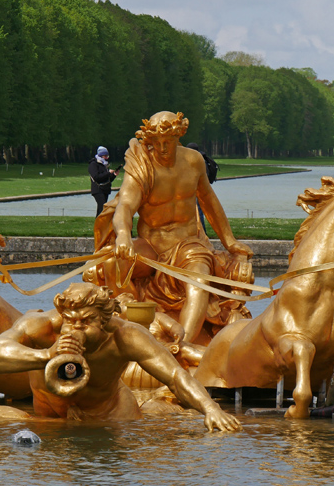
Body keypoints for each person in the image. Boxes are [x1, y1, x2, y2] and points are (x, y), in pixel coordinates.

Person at [0, 282, 240, 432]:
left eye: (87, 321)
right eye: (71, 321)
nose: (76, 328)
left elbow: (175, 375)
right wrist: (46, 355)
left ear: (104, 320)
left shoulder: (125, 336)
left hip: (111, 419)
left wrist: (211, 409)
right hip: (50, 419)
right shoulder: (42, 327)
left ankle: (163, 409)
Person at [90, 111, 253, 343]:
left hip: (188, 245)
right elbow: (125, 206)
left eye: (168, 142)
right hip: (151, 246)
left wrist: (230, 241)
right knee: (111, 263)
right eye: (156, 143)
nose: (163, 148)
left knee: (198, 280)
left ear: (179, 137)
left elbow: (209, 201)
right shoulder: (142, 167)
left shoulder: (194, 161)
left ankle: (181, 345)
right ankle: (130, 328)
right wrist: (124, 236)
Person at [186, 142, 219, 231]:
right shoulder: (200, 159)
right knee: (197, 211)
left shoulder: (197, 161)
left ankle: (202, 232)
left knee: (199, 212)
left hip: (197, 190)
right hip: (200, 189)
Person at [88, 146, 119, 217]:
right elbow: (96, 177)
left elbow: (107, 180)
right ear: (101, 155)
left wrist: (114, 175)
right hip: (98, 190)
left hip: (105, 189)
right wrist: (108, 173)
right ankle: (99, 225)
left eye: (107, 156)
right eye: (105, 156)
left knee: (102, 209)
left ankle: (100, 225)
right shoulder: (93, 164)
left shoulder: (104, 165)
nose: (107, 158)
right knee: (102, 208)